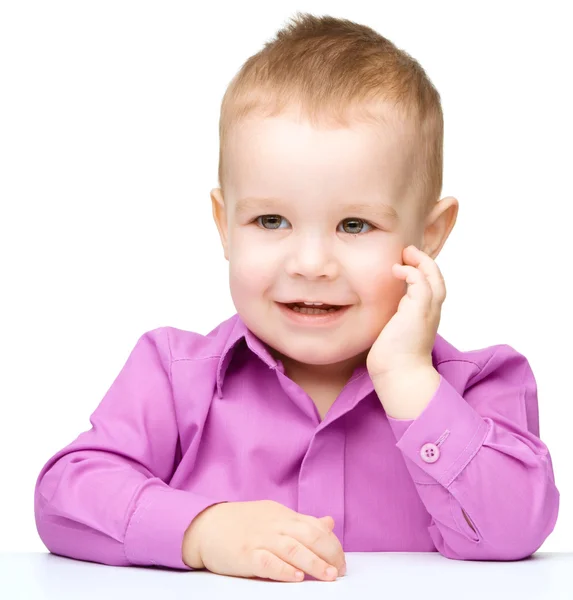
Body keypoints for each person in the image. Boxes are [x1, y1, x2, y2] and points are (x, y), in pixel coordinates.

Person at [34, 11, 560, 583]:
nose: (310, 265)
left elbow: (516, 528)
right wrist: (203, 530)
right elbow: (65, 496)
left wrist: (410, 379)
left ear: (429, 235)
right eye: (270, 219)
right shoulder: (172, 375)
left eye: (355, 225)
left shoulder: (480, 386)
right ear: (224, 225)